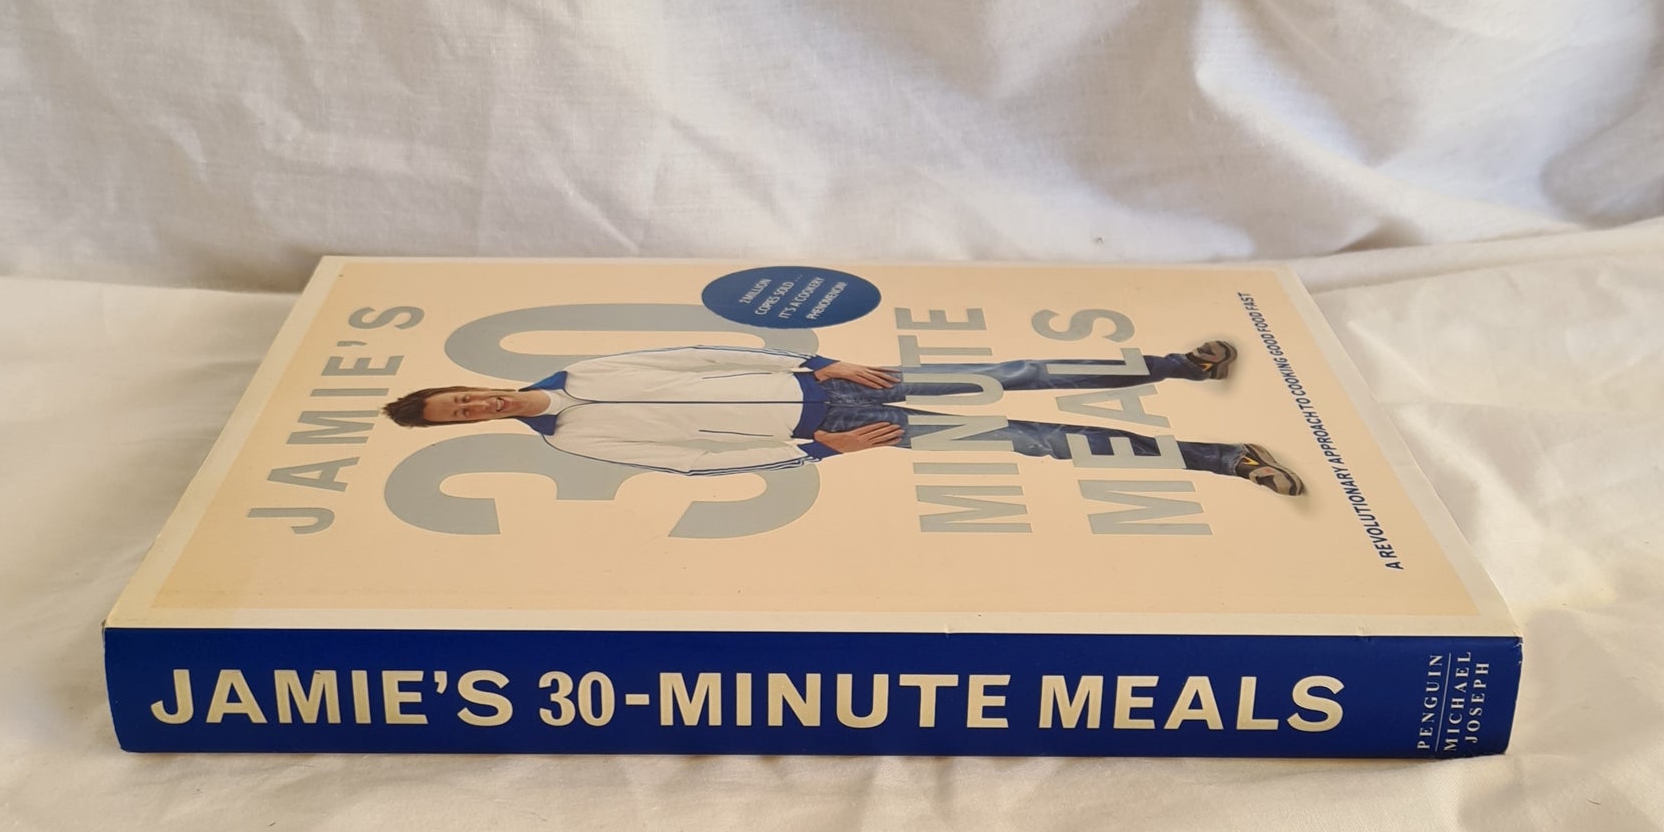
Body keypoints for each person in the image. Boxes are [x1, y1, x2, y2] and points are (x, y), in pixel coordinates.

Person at [382, 342, 1303, 494]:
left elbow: (706, 358)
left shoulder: (582, 369)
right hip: (834, 428)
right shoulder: (577, 437)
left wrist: (815, 365)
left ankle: (1178, 366)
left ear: (465, 383)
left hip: (843, 381)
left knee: (1019, 374)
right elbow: (696, 463)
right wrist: (818, 454)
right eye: (458, 417)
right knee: (1036, 440)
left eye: (460, 394)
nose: (474, 405)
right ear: (461, 428)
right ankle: (1225, 459)